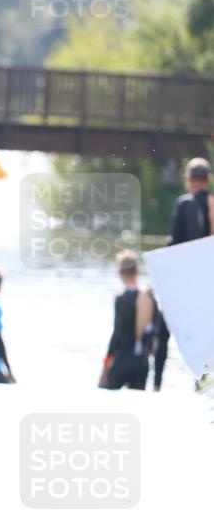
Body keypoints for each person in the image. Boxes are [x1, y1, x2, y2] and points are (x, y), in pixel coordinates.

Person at [153, 157, 214, 390]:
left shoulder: (183, 204)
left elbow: (173, 245)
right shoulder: (212, 205)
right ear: (207, 180)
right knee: (206, 338)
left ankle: (157, 384)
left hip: (181, 281)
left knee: (163, 333)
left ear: (188, 179)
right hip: (206, 283)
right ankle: (201, 383)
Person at [99, 250, 157, 391]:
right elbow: (155, 329)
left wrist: (107, 361)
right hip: (142, 362)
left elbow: (118, 332)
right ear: (136, 270)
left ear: (120, 273)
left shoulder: (122, 298)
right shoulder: (149, 296)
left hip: (122, 359)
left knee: (107, 398)